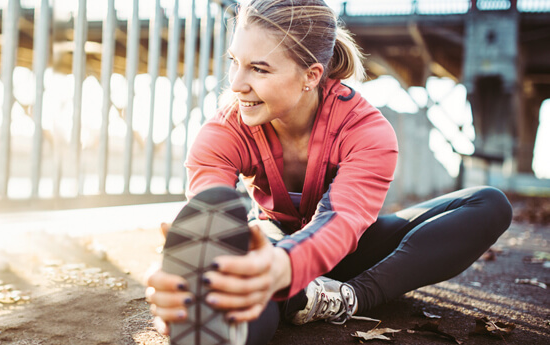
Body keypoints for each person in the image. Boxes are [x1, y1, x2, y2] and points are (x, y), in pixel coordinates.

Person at [145, 1, 513, 344]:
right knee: (238, 277)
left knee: (489, 204)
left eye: (259, 68)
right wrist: (187, 278)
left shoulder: (367, 130)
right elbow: (207, 213)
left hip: (348, 250)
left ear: (311, 75)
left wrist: (287, 265)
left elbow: (343, 221)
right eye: (234, 62)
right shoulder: (223, 130)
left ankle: (344, 297)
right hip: (269, 242)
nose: (236, 84)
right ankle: (281, 299)